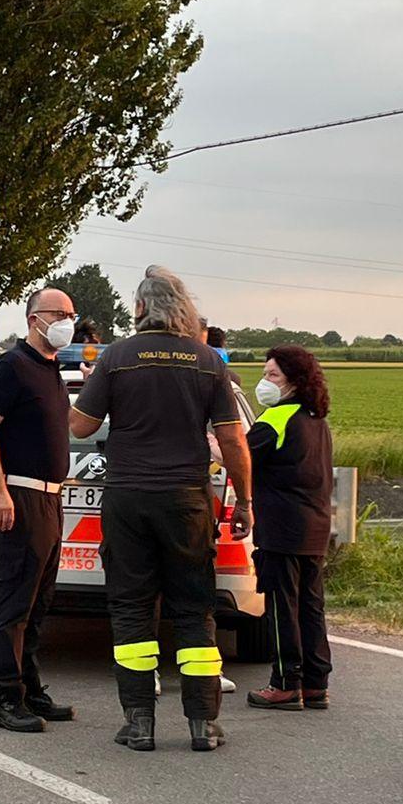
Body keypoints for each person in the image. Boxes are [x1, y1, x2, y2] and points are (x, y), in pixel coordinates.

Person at [70, 266, 252, 753]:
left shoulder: (117, 357)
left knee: (131, 611)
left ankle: (139, 723)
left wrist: (85, 389)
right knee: (194, 611)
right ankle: (203, 725)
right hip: (186, 501)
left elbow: (82, 427)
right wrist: (246, 500)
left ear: (141, 309)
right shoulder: (208, 361)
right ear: (184, 309)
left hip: (127, 499)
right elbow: (233, 439)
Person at [0, 288, 79, 733]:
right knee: (14, 602)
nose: (68, 321)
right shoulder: (12, 366)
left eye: (72, 314)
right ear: (35, 318)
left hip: (50, 499)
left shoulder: (50, 369)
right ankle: (4, 698)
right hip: (18, 496)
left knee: (38, 604)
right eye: (61, 314)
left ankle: (31, 689)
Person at [244, 346, 335, 712]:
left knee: (283, 606)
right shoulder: (316, 419)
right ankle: (316, 683)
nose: (264, 382)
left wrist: (214, 448)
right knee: (311, 606)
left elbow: (241, 455)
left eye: (272, 375)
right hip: (314, 526)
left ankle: (284, 682)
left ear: (294, 381)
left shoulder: (276, 418)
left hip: (282, 526)